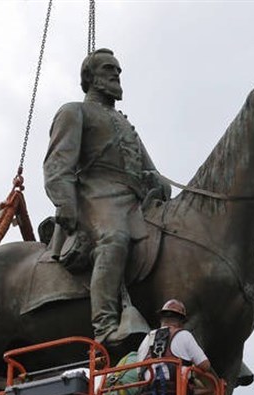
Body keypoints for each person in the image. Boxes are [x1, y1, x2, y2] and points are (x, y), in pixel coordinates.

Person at [43, 48, 170, 346]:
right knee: (113, 239)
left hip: (134, 200)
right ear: (90, 78)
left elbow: (149, 170)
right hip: (95, 196)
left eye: (118, 70)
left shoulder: (124, 122)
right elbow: (58, 164)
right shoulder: (74, 111)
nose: (116, 74)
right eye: (108, 69)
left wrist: (160, 182)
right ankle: (105, 325)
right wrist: (65, 203)